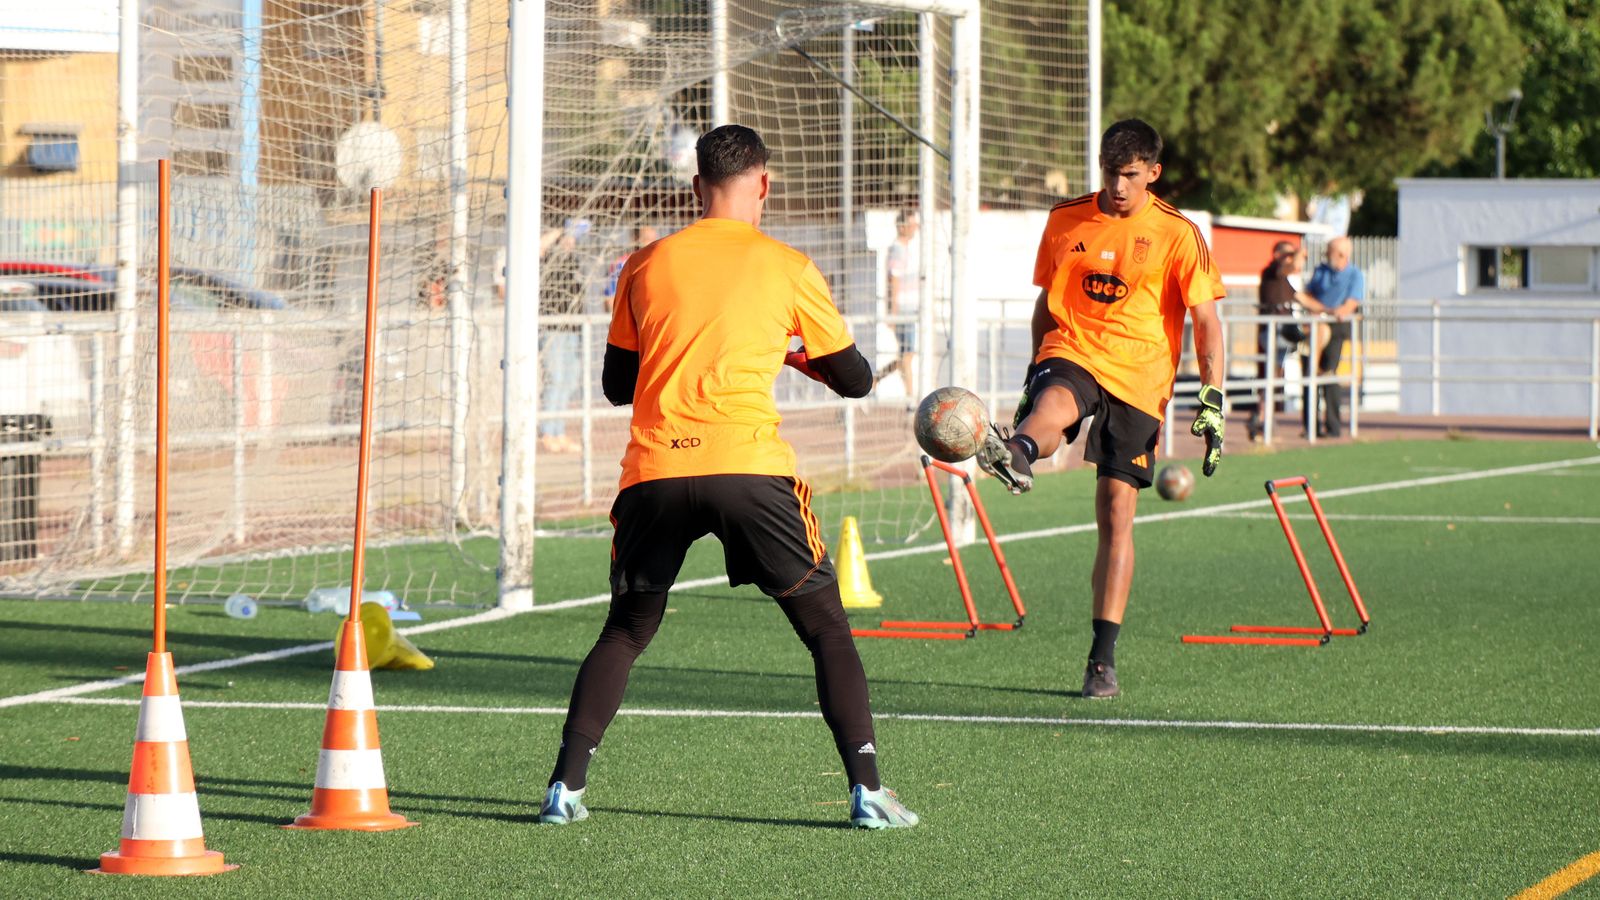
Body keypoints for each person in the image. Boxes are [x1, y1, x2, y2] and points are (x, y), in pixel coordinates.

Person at [538, 124, 918, 830]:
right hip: (748, 468)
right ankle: (868, 791)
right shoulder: (788, 266)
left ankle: (566, 785)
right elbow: (858, 380)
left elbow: (618, 386)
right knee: (828, 629)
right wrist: (798, 356)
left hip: (656, 470)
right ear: (764, 184)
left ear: (695, 188)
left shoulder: (645, 264)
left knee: (624, 631)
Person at [975, 119, 1226, 699]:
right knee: (1057, 400)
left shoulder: (1178, 233)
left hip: (1141, 377)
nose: (1117, 185)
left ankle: (1101, 659)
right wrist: (1031, 375)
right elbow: (1046, 300)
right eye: (1110, 172)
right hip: (1074, 348)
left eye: (1130, 176)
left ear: (1153, 174)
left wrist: (1211, 396)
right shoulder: (1066, 219)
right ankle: (1015, 452)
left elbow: (1207, 322)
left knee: (1116, 513)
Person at [1246, 241, 1315, 442]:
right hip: (1271, 333)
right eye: (1287, 254)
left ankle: (1261, 422)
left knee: (1274, 378)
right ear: (1277, 255)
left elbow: (1302, 298)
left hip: (1282, 334)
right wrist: (1300, 253)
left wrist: (1327, 311)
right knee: (1269, 378)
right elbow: (1292, 266)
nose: (1290, 258)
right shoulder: (1272, 271)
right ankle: (1260, 423)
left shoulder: (1283, 280)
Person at [1302, 236, 1363, 438]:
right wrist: (1318, 311)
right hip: (1316, 326)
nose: (1327, 256)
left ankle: (1333, 427)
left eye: (1330, 252)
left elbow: (1352, 302)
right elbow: (1308, 294)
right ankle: (1310, 427)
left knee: (1329, 373)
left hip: (1337, 328)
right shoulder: (1321, 271)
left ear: (1341, 255)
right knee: (1309, 373)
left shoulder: (1355, 274)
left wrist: (1337, 312)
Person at [538, 228, 585, 454]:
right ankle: (548, 432)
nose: (570, 241)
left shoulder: (574, 261)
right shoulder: (548, 258)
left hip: (572, 331)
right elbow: (539, 247)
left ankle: (559, 431)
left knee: (570, 381)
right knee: (555, 379)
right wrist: (561, 230)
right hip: (552, 329)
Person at [884, 208, 921, 399]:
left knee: (906, 354)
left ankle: (875, 379)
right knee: (908, 354)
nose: (916, 228)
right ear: (902, 227)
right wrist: (894, 311)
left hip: (910, 309)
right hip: (903, 310)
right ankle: (911, 397)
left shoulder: (905, 248)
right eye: (913, 224)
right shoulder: (897, 249)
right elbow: (894, 280)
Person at [602, 224, 659, 313]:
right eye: (647, 239)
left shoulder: (659, 263)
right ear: (635, 239)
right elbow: (610, 300)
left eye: (654, 240)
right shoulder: (621, 264)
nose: (652, 243)